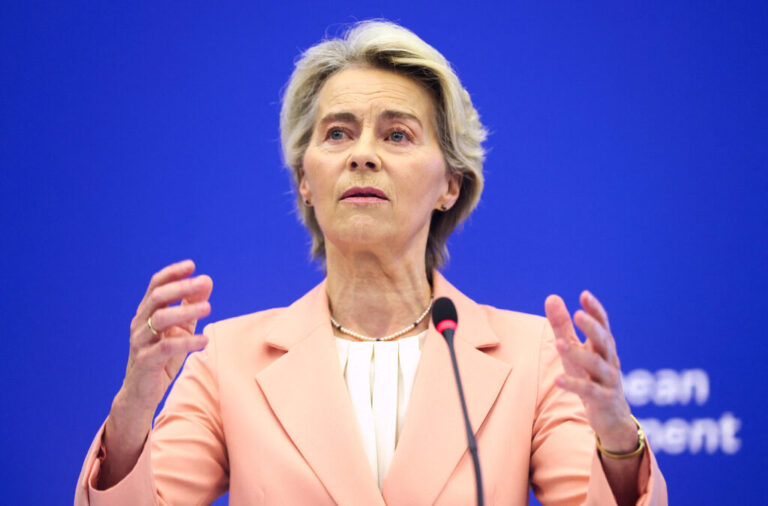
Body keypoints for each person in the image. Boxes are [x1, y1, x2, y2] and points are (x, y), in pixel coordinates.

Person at [75, 20, 667, 505]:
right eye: (337, 134)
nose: (362, 155)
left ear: (450, 184)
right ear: (305, 179)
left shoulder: (529, 357)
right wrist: (132, 411)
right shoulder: (227, 361)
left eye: (397, 135)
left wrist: (617, 436)